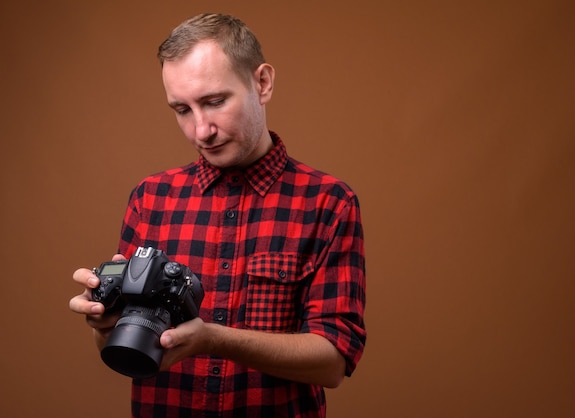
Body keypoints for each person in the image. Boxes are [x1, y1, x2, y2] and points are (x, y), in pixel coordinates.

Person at [69, 12, 366, 418]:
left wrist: (213, 339)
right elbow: (118, 349)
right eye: (182, 109)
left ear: (262, 83)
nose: (201, 131)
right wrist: (102, 319)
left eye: (214, 102)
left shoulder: (328, 202)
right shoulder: (151, 197)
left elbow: (332, 361)